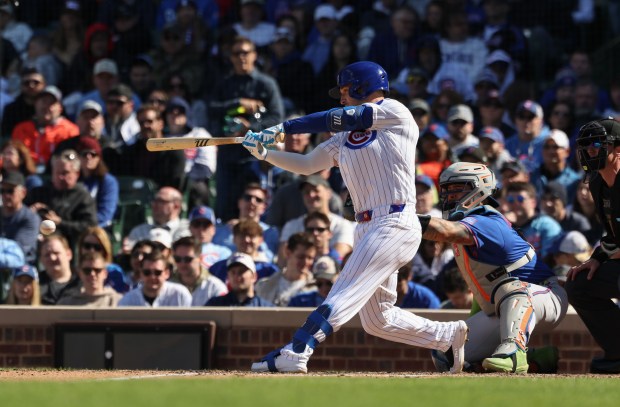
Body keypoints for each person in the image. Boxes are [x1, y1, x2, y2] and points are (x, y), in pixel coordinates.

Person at [242, 61, 468, 373]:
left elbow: (350, 115)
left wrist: (284, 128)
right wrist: (264, 153)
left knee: (345, 288)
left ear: (363, 86)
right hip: (365, 226)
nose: (342, 97)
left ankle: (297, 350)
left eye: (346, 90)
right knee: (378, 319)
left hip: (395, 221)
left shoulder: (395, 111)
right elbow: (308, 164)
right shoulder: (345, 136)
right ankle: (445, 335)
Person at [420, 162, 568, 373]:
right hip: (504, 305)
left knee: (511, 288)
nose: (450, 196)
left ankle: (515, 353)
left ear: (479, 188)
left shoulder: (486, 220)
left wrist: (400, 220)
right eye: (447, 191)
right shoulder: (467, 223)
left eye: (457, 189)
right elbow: (482, 287)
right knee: (447, 354)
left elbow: (445, 231)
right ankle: (539, 358)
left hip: (545, 295)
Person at [565, 118, 620, 374]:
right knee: (579, 284)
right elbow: (611, 235)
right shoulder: (597, 183)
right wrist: (597, 258)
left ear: (618, 149)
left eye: (597, 145)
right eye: (586, 146)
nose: (590, 152)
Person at [25, 150, 98, 249]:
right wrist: (30, 213)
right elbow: (18, 216)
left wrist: (60, 222)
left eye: (65, 173)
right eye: (57, 172)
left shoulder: (83, 197)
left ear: (76, 174)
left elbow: (90, 227)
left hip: (69, 246)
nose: (60, 177)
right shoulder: (38, 193)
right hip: (36, 243)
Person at [255, 232, 316, 306]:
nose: (306, 262)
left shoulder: (315, 289)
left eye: (310, 258)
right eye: (301, 257)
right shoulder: (263, 286)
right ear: (288, 252)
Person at [118, 250, 192, 307]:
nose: (152, 277)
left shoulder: (180, 294)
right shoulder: (128, 300)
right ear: (141, 273)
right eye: (147, 272)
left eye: (157, 272)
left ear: (167, 273)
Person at [170, 236, 228, 307]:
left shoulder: (215, 287)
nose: (182, 263)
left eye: (188, 259)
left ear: (200, 258)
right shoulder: (167, 285)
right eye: (178, 259)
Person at [205, 252, 275, 307]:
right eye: (233, 272)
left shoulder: (265, 308)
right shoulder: (215, 305)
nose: (236, 276)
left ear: (254, 276)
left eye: (241, 271)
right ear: (228, 277)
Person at [0, 171, 40, 265]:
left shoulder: (30, 218)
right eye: (2, 191)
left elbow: (17, 252)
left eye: (10, 191)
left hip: (22, 272)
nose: (6, 195)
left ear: (23, 192)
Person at [57, 252, 122, 307]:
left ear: (105, 274)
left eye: (97, 270)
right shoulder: (66, 303)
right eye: (87, 271)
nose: (92, 274)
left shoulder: (119, 301)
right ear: (80, 273)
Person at [77, 226, 129, 294]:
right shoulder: (73, 272)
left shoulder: (114, 271)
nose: (92, 251)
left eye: (97, 247)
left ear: (105, 250)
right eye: (87, 246)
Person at [38, 234, 82, 305]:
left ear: (69, 254)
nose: (52, 258)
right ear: (41, 259)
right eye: (47, 255)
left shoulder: (82, 280)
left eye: (56, 253)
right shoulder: (35, 284)